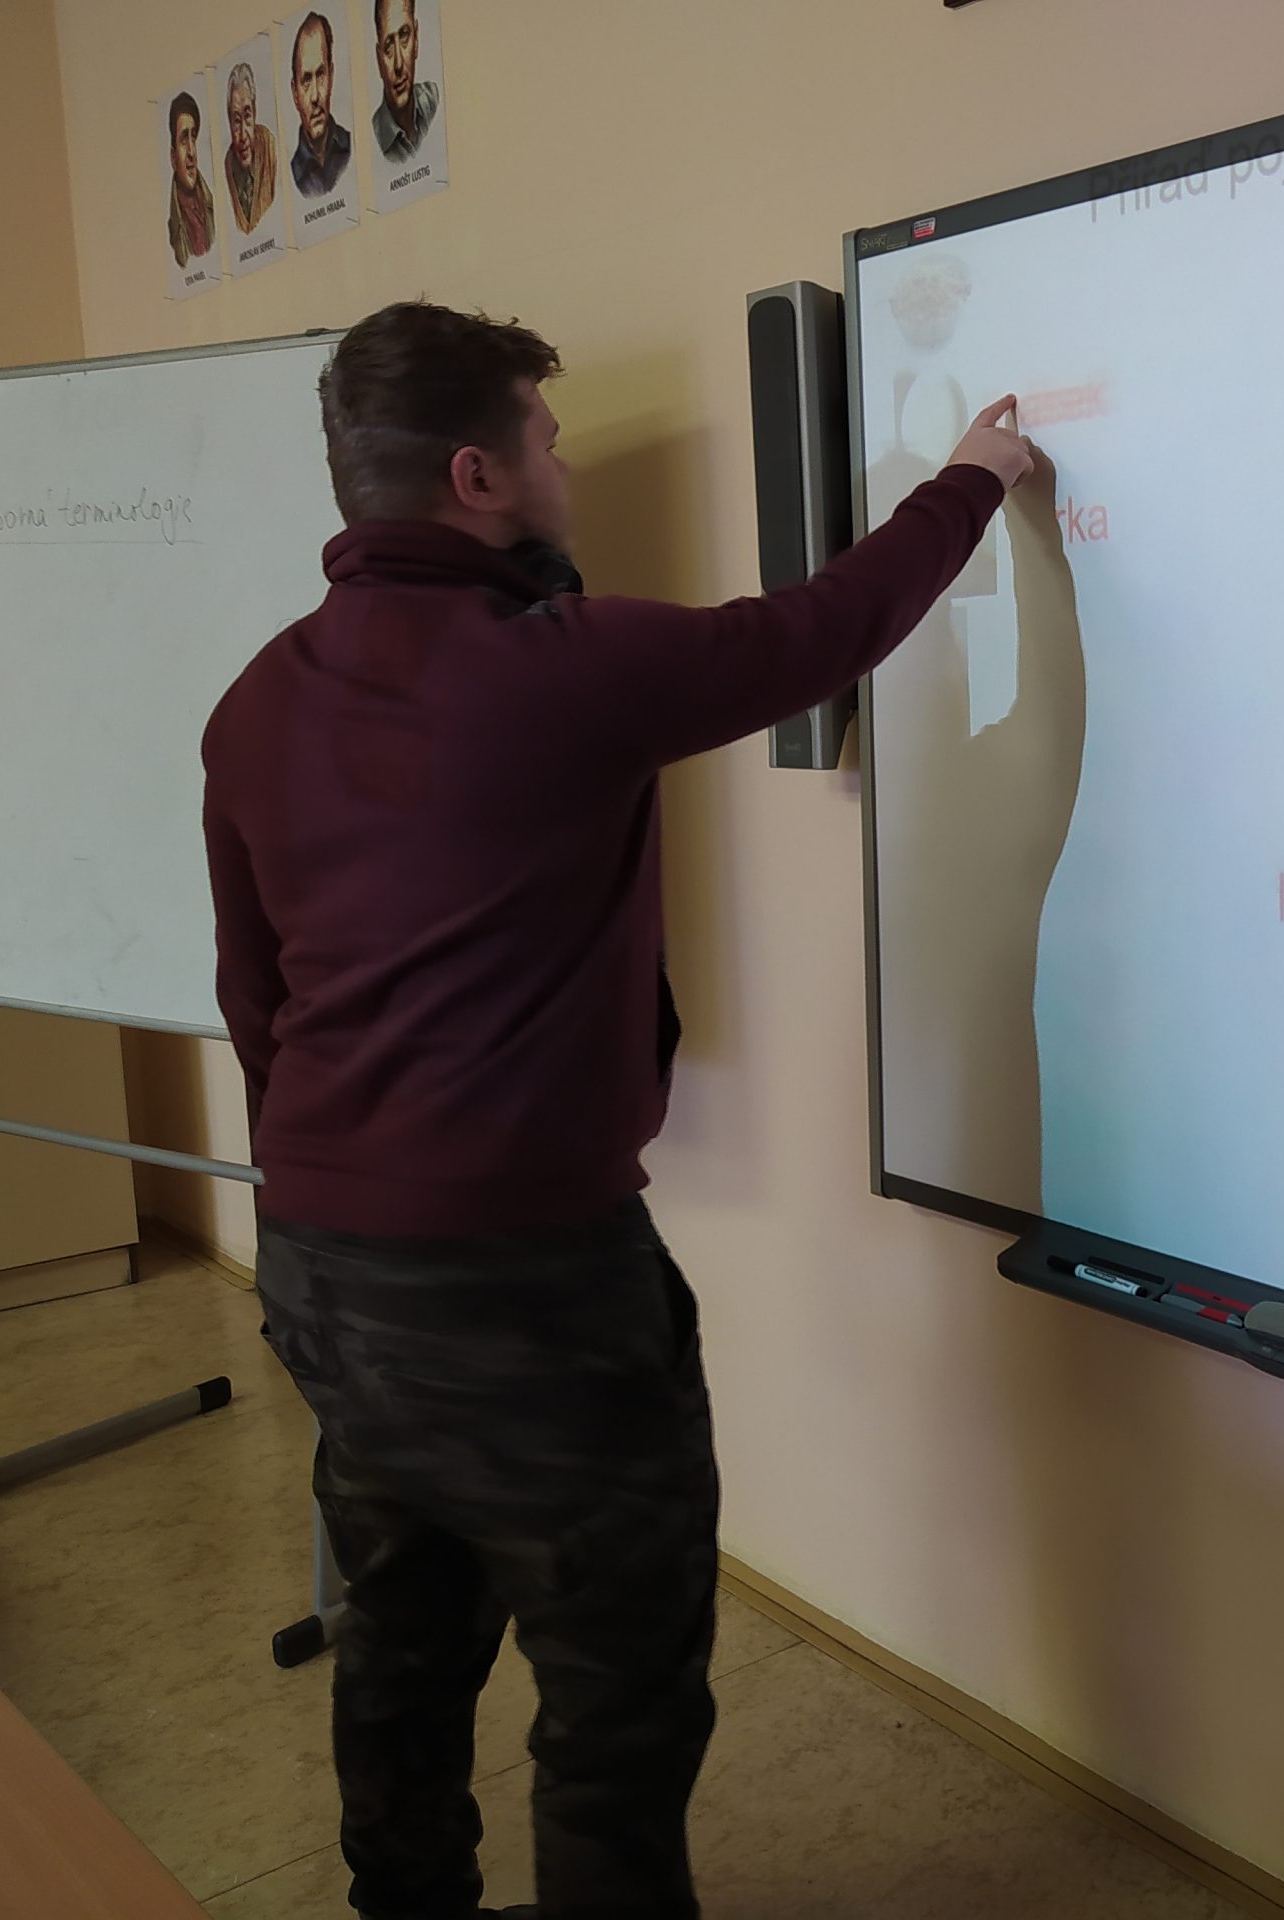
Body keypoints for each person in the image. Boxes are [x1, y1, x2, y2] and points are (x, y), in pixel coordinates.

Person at [202, 302, 1032, 1920]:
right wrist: (975, 478)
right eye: (546, 439)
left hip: (320, 1256)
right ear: (477, 477)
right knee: (617, 1682)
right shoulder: (558, 669)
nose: (563, 468)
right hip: (524, 1282)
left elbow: (256, 998)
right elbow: (822, 630)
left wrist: (338, 1188)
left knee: (401, 1628)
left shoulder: (255, 702)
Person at [290, 10, 354, 197]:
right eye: (306, 80)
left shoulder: (352, 147)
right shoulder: (292, 175)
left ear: (331, 76)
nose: (315, 96)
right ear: (295, 93)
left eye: (320, 75)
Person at [373, 0, 440, 164]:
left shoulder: (434, 99)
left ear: (416, 40)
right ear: (379, 61)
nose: (399, 64)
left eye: (404, 36)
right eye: (389, 46)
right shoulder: (374, 138)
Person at [224, 60, 278, 234]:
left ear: (255, 112)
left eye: (247, 116)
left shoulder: (270, 146)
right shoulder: (228, 165)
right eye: (236, 121)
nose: (242, 135)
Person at [166, 91, 216, 268]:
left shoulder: (212, 204)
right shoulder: (172, 227)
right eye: (183, 140)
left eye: (193, 138)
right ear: (173, 158)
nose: (191, 152)